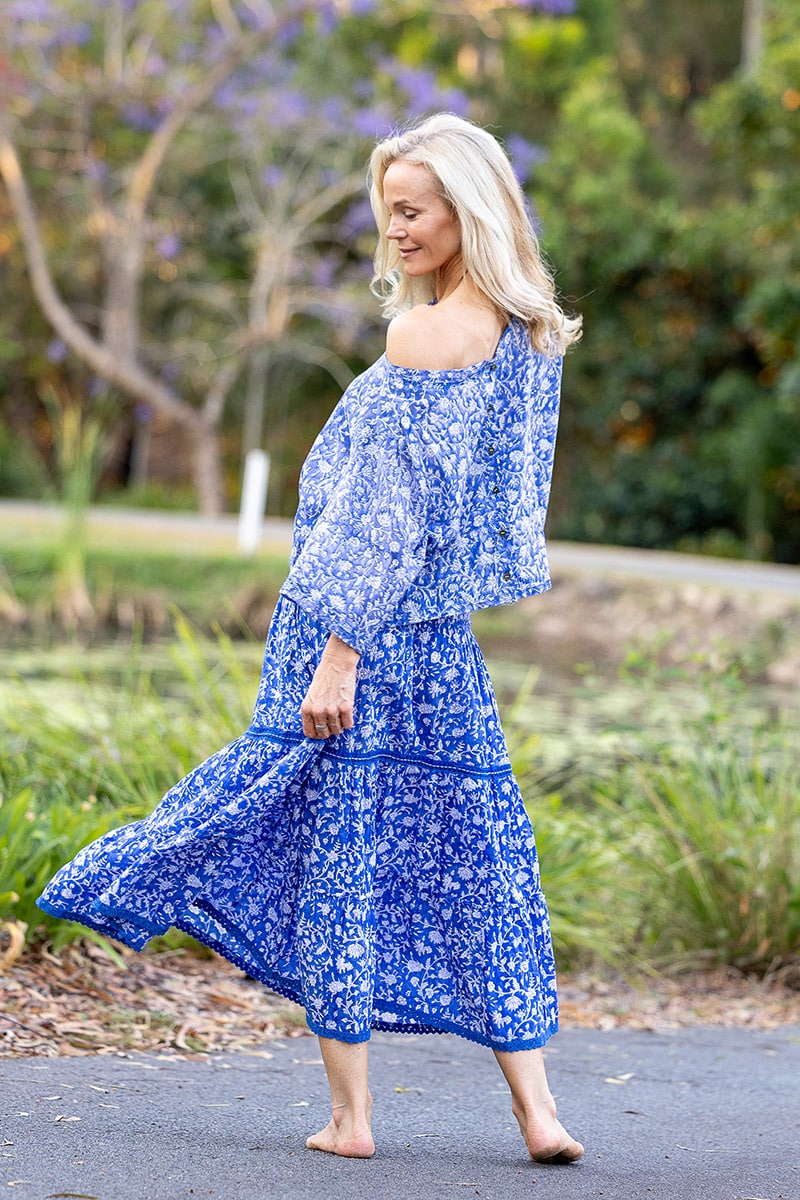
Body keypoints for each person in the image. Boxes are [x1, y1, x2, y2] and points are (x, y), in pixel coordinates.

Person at [38, 112, 583, 1165]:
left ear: (467, 210)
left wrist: (338, 650)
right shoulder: (525, 336)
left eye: (412, 211)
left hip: (352, 628)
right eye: (388, 214)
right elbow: (479, 514)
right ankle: (539, 1114)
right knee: (476, 854)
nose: (396, 232)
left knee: (340, 848)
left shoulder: (423, 337)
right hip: (438, 641)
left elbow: (389, 514)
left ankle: (350, 1120)